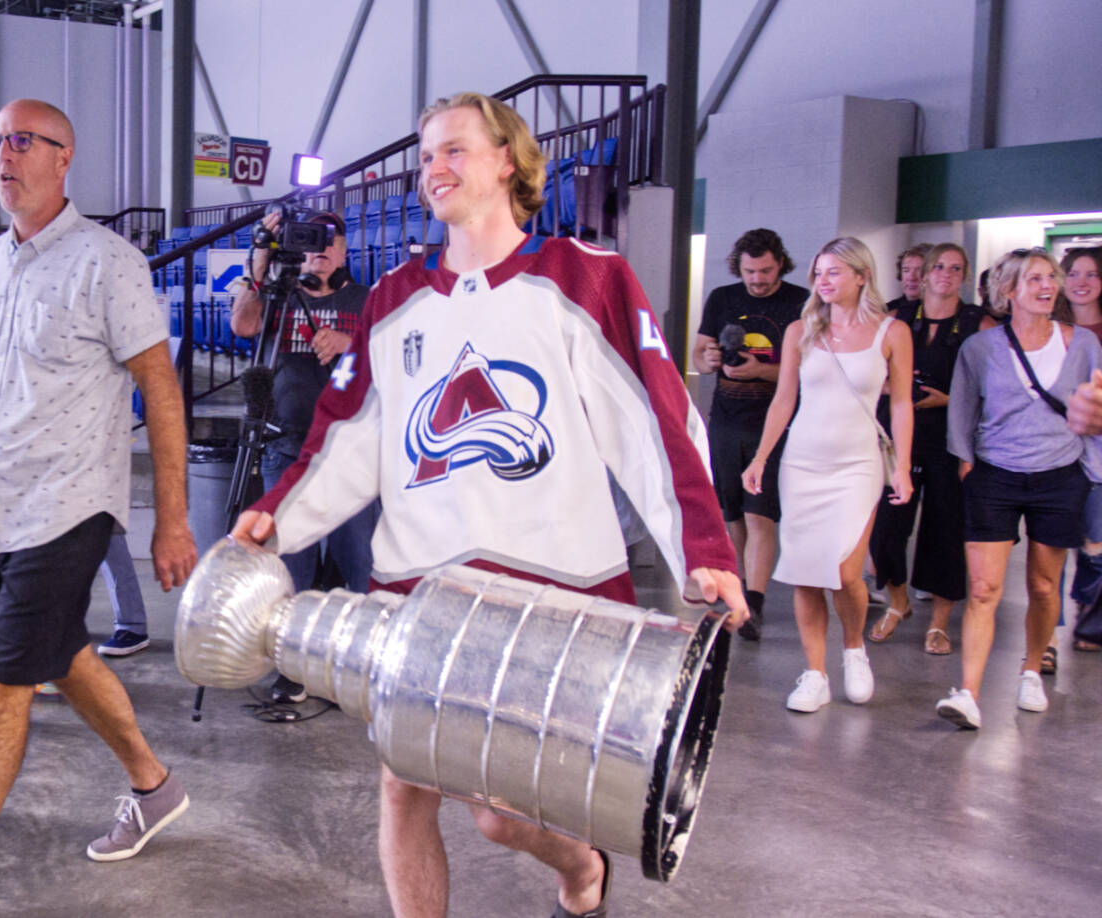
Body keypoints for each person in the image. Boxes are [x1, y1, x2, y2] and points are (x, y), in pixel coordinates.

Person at [232, 91, 745, 918]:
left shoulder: (586, 276)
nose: (434, 168)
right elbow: (346, 432)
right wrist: (279, 515)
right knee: (403, 788)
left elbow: (653, 422)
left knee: (504, 816)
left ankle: (581, 875)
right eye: (426, 155)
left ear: (508, 159)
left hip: (548, 590)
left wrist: (705, 553)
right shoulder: (394, 296)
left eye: (454, 150)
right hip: (418, 587)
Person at [0, 99, 198, 918]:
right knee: (63, 656)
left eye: (21, 141)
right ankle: (153, 787)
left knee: (3, 681)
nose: (3, 155)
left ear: (64, 156)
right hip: (3, 507)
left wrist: (174, 516)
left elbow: (160, 388)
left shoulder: (107, 262)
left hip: (74, 503)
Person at [937, 247, 1102, 730]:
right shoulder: (980, 348)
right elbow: (963, 411)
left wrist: (1094, 472)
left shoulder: (1082, 344)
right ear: (1009, 290)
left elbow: (1100, 412)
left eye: (1049, 278)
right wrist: (968, 464)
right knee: (985, 587)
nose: (1047, 286)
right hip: (995, 475)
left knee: (1043, 584)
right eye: (1034, 279)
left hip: (1060, 476)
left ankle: (1032, 668)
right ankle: (968, 692)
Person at [743, 236, 913, 713]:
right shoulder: (801, 330)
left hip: (857, 465)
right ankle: (815, 672)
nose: (823, 281)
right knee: (805, 574)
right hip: (802, 463)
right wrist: (760, 458)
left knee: (843, 570)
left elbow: (901, 404)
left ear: (862, 276)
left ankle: (853, 649)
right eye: (819, 273)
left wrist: (901, 467)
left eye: (834, 272)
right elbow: (784, 400)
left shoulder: (891, 332)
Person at [230, 209, 378, 703]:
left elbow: (396, 361)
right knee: (289, 565)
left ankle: (354, 666)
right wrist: (261, 258)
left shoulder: (367, 301)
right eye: (308, 243)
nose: (317, 252)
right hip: (286, 446)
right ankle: (292, 668)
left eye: (327, 243)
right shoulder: (278, 294)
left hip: (350, 452)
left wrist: (350, 345)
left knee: (358, 560)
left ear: (344, 250)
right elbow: (243, 325)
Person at [867, 244, 989, 654]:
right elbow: (864, 372)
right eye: (939, 266)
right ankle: (898, 603)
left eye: (956, 268)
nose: (945, 274)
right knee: (885, 530)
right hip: (896, 438)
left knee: (945, 532)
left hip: (951, 441)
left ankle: (939, 622)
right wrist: (893, 387)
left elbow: (996, 389)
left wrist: (949, 399)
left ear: (965, 275)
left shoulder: (978, 323)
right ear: (923, 273)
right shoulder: (895, 317)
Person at [692, 228, 808, 640]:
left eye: (765, 271)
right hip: (725, 419)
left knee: (761, 513)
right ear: (737, 267)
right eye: (749, 271)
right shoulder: (723, 298)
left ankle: (755, 602)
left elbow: (807, 371)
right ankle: (739, 589)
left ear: (781, 264)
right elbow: (701, 355)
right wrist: (706, 358)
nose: (757, 279)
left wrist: (761, 371)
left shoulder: (800, 303)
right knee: (733, 513)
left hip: (774, 424)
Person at [1061, 247, 1102, 653]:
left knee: (1096, 542)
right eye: (1073, 273)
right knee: (1053, 543)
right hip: (1055, 453)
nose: (1081, 281)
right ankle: (1045, 637)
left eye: (1091, 275)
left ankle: (1088, 609)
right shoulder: (1047, 328)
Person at [885, 243, 933, 313]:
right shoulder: (886, 310)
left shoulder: (943, 312)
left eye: (919, 270)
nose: (911, 278)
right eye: (906, 270)